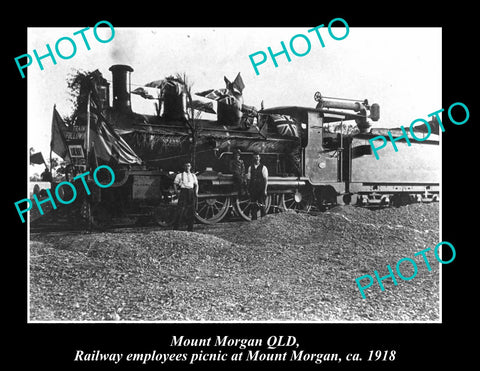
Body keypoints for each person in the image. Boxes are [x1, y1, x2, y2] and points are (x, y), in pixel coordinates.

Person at [173, 162, 198, 231]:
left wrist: (196, 192)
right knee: (180, 209)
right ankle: (176, 228)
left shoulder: (193, 175)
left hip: (191, 191)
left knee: (192, 210)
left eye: (189, 166)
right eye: (186, 166)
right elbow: (175, 184)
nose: (187, 167)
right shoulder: (179, 175)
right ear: (184, 167)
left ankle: (190, 228)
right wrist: (176, 192)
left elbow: (196, 184)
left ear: (191, 167)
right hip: (183, 191)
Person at [246, 152, 268, 220]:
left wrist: (265, 190)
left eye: (258, 157)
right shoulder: (250, 167)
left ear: (260, 158)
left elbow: (265, 179)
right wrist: (248, 189)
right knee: (253, 206)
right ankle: (254, 222)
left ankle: (264, 221)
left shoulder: (263, 167)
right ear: (253, 158)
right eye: (255, 157)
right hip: (253, 188)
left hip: (260, 188)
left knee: (262, 205)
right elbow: (249, 179)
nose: (257, 159)